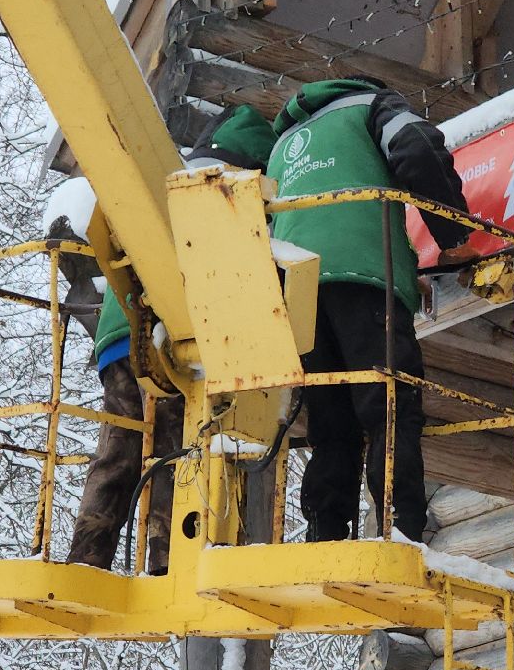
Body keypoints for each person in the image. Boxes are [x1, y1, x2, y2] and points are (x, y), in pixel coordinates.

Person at [64, 104, 278, 572]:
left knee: (117, 450)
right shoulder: (229, 197)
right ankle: (165, 559)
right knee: (174, 450)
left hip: (121, 338)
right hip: (171, 346)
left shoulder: (168, 187)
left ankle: (87, 554)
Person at [266, 77, 475, 544]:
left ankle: (325, 538)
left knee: (330, 420)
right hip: (368, 275)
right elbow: (417, 149)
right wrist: (454, 235)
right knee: (390, 407)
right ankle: (402, 532)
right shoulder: (371, 105)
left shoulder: (281, 143)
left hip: (295, 290)